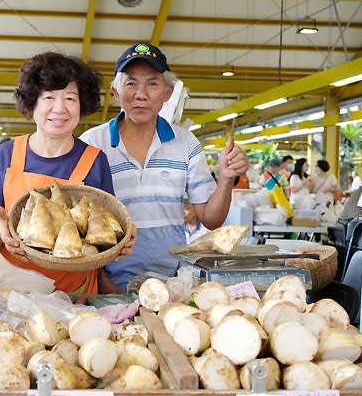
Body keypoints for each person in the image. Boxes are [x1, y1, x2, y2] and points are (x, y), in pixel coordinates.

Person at [80, 43, 248, 292]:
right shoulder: (93, 143)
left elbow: (211, 220)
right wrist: (101, 282)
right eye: (131, 83)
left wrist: (225, 179)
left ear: (168, 93)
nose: (141, 94)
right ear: (115, 91)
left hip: (173, 284)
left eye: (152, 84)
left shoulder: (186, 143)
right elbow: (80, 223)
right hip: (108, 284)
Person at [0, 51, 133, 298]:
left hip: (75, 298)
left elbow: (106, 231)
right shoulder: (6, 155)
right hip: (12, 296)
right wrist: (1, 231)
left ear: (82, 104)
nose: (60, 108)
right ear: (32, 102)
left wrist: (119, 245)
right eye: (48, 97)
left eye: (70, 98)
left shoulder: (94, 160)